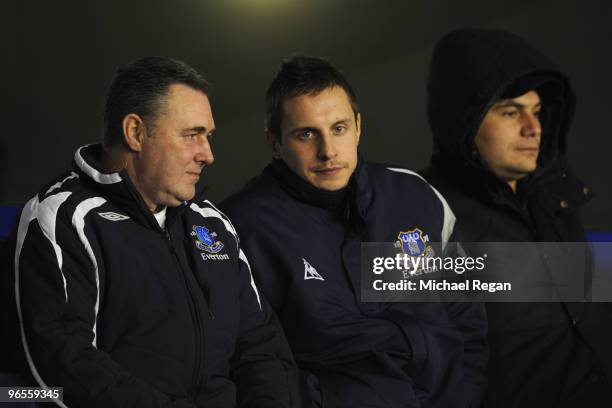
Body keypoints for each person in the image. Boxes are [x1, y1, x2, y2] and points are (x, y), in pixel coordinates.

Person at [10, 56, 299, 407]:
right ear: (135, 132)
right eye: (192, 135)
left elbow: (261, 344)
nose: (208, 155)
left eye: (207, 137)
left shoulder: (213, 224)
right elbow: (65, 365)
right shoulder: (62, 217)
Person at [221, 55, 487, 407]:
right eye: (306, 134)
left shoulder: (414, 195)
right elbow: (250, 360)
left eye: (339, 128)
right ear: (275, 143)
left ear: (358, 126)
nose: (328, 151)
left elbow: (466, 315)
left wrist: (465, 396)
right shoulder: (242, 226)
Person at [422, 28, 612, 406]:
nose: (534, 128)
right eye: (511, 112)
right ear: (464, 120)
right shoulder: (420, 214)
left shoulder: (554, 197)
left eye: (538, 112)